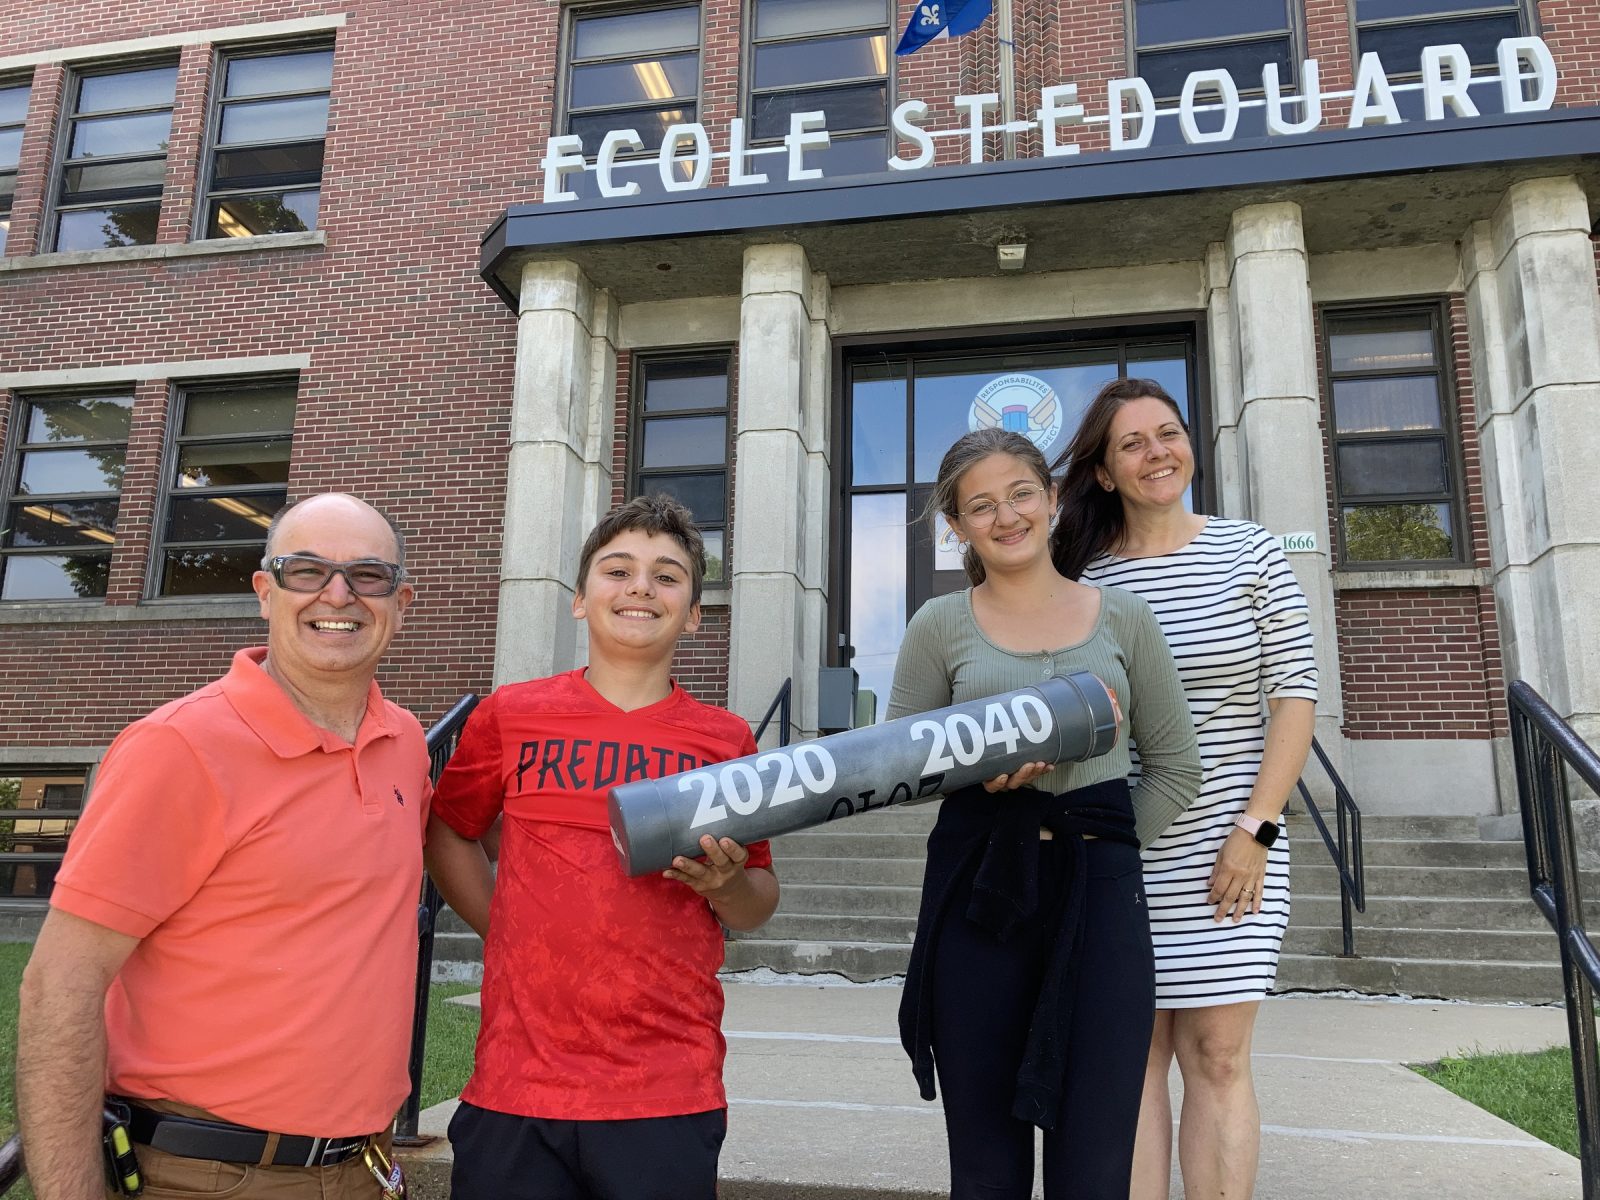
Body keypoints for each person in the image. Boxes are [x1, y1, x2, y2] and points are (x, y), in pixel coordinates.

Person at [17, 493, 429, 1200]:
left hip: (362, 1165)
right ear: (265, 592)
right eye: (307, 571)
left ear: (401, 602)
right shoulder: (179, 748)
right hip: (207, 1174)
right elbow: (60, 986)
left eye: (368, 575)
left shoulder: (406, 744)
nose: (339, 594)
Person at [425, 493, 780, 1200]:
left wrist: (726, 887)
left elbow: (757, 903)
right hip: (517, 1083)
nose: (641, 586)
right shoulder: (511, 716)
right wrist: (506, 929)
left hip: (665, 1086)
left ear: (695, 612)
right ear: (580, 601)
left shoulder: (726, 743)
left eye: (668, 575)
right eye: (617, 571)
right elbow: (450, 830)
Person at [888, 427, 1201, 1200]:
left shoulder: (1125, 619)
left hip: (1099, 902)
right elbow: (901, 767)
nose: (1007, 516)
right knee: (987, 1163)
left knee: (1095, 1161)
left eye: (1022, 494)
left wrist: (1103, 848)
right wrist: (976, 776)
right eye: (980, 505)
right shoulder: (939, 626)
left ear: (1054, 499)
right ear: (956, 526)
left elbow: (1176, 767)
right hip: (982, 896)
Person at [1052, 378, 1318, 1200]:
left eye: (1166, 433)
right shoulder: (1081, 577)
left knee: (1219, 1055)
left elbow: (1296, 697)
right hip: (1118, 849)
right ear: (1103, 471)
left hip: (1231, 849)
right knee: (1130, 1064)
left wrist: (1257, 830)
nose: (1156, 453)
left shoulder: (1251, 551)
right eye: (1131, 443)